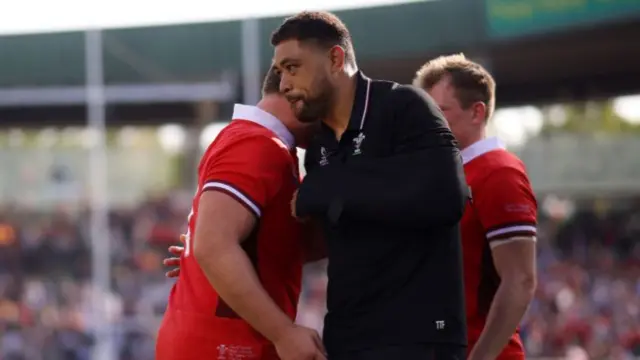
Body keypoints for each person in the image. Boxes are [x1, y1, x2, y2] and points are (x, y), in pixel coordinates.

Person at [271, 11, 468, 360]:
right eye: (280, 72)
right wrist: (211, 245)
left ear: (335, 59)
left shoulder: (404, 106)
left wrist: (330, 186)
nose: (284, 84)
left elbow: (445, 195)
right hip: (346, 341)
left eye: (292, 67)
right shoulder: (318, 150)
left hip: (419, 340)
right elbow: (320, 240)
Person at [156, 70, 327, 360]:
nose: (334, 118)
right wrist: (283, 332)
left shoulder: (258, 142)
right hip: (227, 345)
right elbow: (212, 246)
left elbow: (240, 245)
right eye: (329, 101)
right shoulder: (258, 144)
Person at [413, 54, 537, 360]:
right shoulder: (442, 176)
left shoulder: (499, 171)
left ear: (476, 112)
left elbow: (520, 280)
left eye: (440, 111)